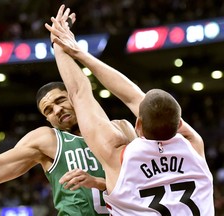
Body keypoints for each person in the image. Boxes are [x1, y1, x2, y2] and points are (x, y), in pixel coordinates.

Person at [0, 9, 138, 216]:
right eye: (48, 110)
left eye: (60, 100)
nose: (57, 110)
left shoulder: (121, 128)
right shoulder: (46, 139)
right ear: (47, 119)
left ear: (74, 98)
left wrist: (100, 183)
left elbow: (142, 183)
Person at [45, 5, 215, 215]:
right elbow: (135, 98)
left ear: (138, 125)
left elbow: (81, 94)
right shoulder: (193, 146)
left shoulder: (120, 159)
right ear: (180, 124)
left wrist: (63, 43)